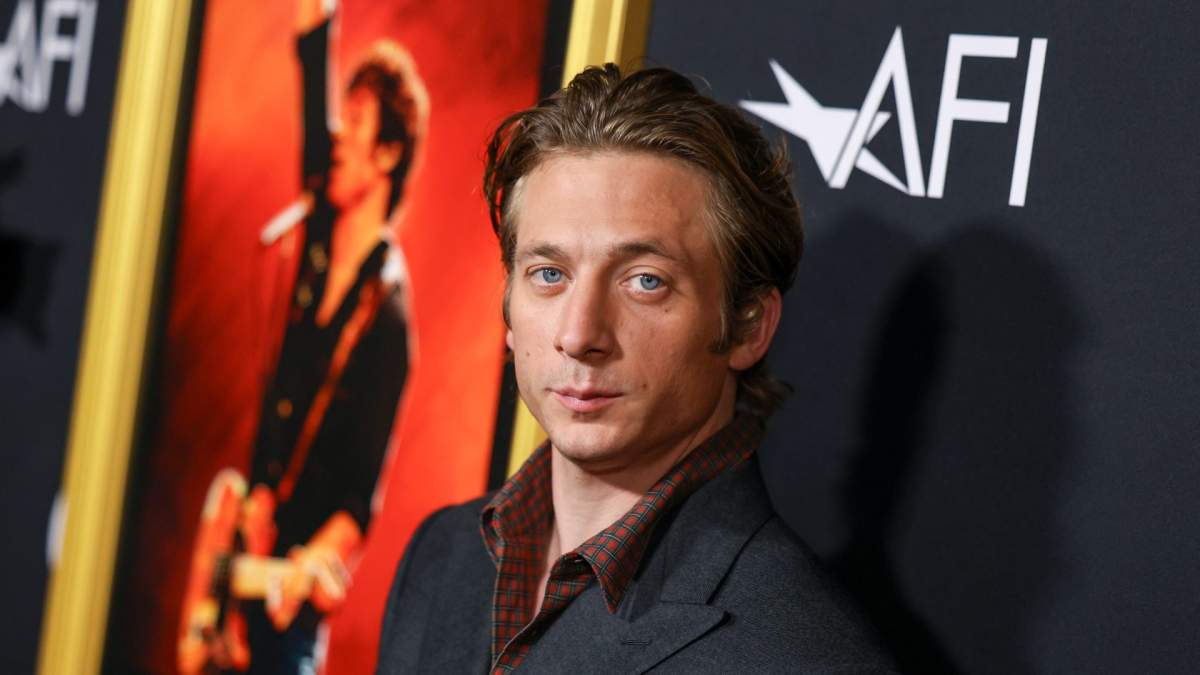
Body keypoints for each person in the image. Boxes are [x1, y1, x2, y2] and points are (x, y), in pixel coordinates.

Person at [375, 64, 896, 673]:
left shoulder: (799, 656)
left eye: (645, 281)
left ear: (748, 326)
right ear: (509, 305)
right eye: (549, 274)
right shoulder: (441, 557)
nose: (579, 336)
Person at [184, 0, 427, 671]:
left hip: (286, 607)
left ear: (388, 153)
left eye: (357, 121)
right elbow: (312, 54)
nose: (338, 135)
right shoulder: (319, 228)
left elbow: (357, 503)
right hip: (241, 555)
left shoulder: (389, 320)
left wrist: (309, 563)